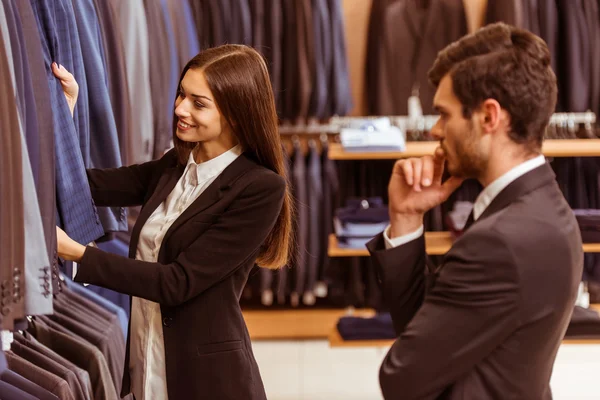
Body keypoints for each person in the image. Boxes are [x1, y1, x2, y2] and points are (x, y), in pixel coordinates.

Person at [52, 45, 293, 400]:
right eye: (181, 94)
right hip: (144, 364)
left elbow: (176, 282)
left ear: (237, 114)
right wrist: (65, 117)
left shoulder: (259, 188)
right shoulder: (175, 164)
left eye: (199, 103)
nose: (180, 108)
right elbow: (88, 186)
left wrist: (76, 253)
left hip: (206, 381)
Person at [367, 22, 583, 399]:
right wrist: (405, 217)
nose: (435, 130)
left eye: (445, 114)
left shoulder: (501, 241)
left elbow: (401, 377)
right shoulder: (539, 203)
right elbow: (427, 330)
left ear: (488, 117)